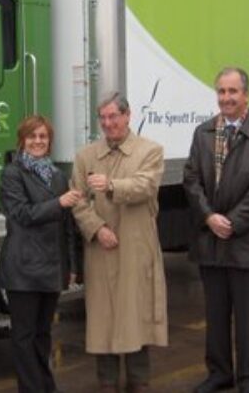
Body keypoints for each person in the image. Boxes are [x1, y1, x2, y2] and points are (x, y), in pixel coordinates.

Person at [183, 67, 249, 393]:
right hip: (211, 241)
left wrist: (233, 222)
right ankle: (219, 373)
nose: (226, 98)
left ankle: (248, 378)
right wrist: (209, 217)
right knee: (216, 315)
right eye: (221, 91)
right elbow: (191, 179)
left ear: (246, 95)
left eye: (233, 91)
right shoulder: (203, 133)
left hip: (248, 242)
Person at [71, 92, 167, 393]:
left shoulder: (150, 151)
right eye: (102, 118)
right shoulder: (85, 156)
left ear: (127, 115)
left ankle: (139, 380)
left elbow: (145, 186)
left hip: (136, 247)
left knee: (136, 313)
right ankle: (107, 382)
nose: (108, 123)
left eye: (113, 116)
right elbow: (77, 200)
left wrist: (111, 185)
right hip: (101, 249)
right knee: (103, 317)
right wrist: (97, 228)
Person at [0, 115, 83, 393]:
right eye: (32, 136)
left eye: (43, 136)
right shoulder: (12, 173)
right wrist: (59, 202)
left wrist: (71, 266)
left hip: (50, 268)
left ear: (50, 141)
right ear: (22, 141)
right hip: (23, 269)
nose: (38, 141)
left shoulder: (56, 176)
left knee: (43, 334)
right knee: (24, 337)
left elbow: (67, 226)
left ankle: (46, 386)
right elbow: (21, 214)